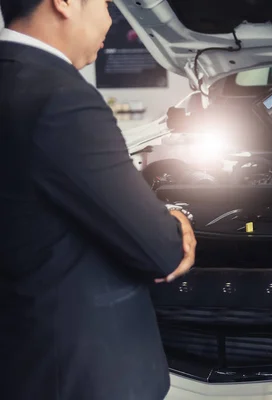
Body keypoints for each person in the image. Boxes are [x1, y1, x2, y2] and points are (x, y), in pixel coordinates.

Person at [0, 0, 197, 399]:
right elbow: (160, 251)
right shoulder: (60, 97)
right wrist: (175, 216)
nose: (110, 18)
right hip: (80, 377)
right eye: (106, 3)